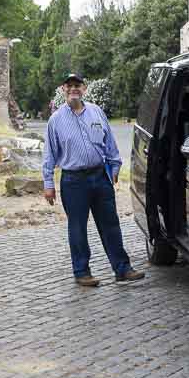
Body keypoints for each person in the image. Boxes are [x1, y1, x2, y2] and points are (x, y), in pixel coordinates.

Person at [43, 73, 145, 286]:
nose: (74, 89)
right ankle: (82, 272)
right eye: (69, 86)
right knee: (77, 227)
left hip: (100, 177)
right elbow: (49, 154)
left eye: (77, 85)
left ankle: (122, 269)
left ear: (84, 88)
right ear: (63, 89)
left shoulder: (97, 112)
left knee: (111, 225)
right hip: (73, 181)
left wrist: (115, 166)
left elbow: (110, 143)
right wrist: (48, 184)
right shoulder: (56, 120)